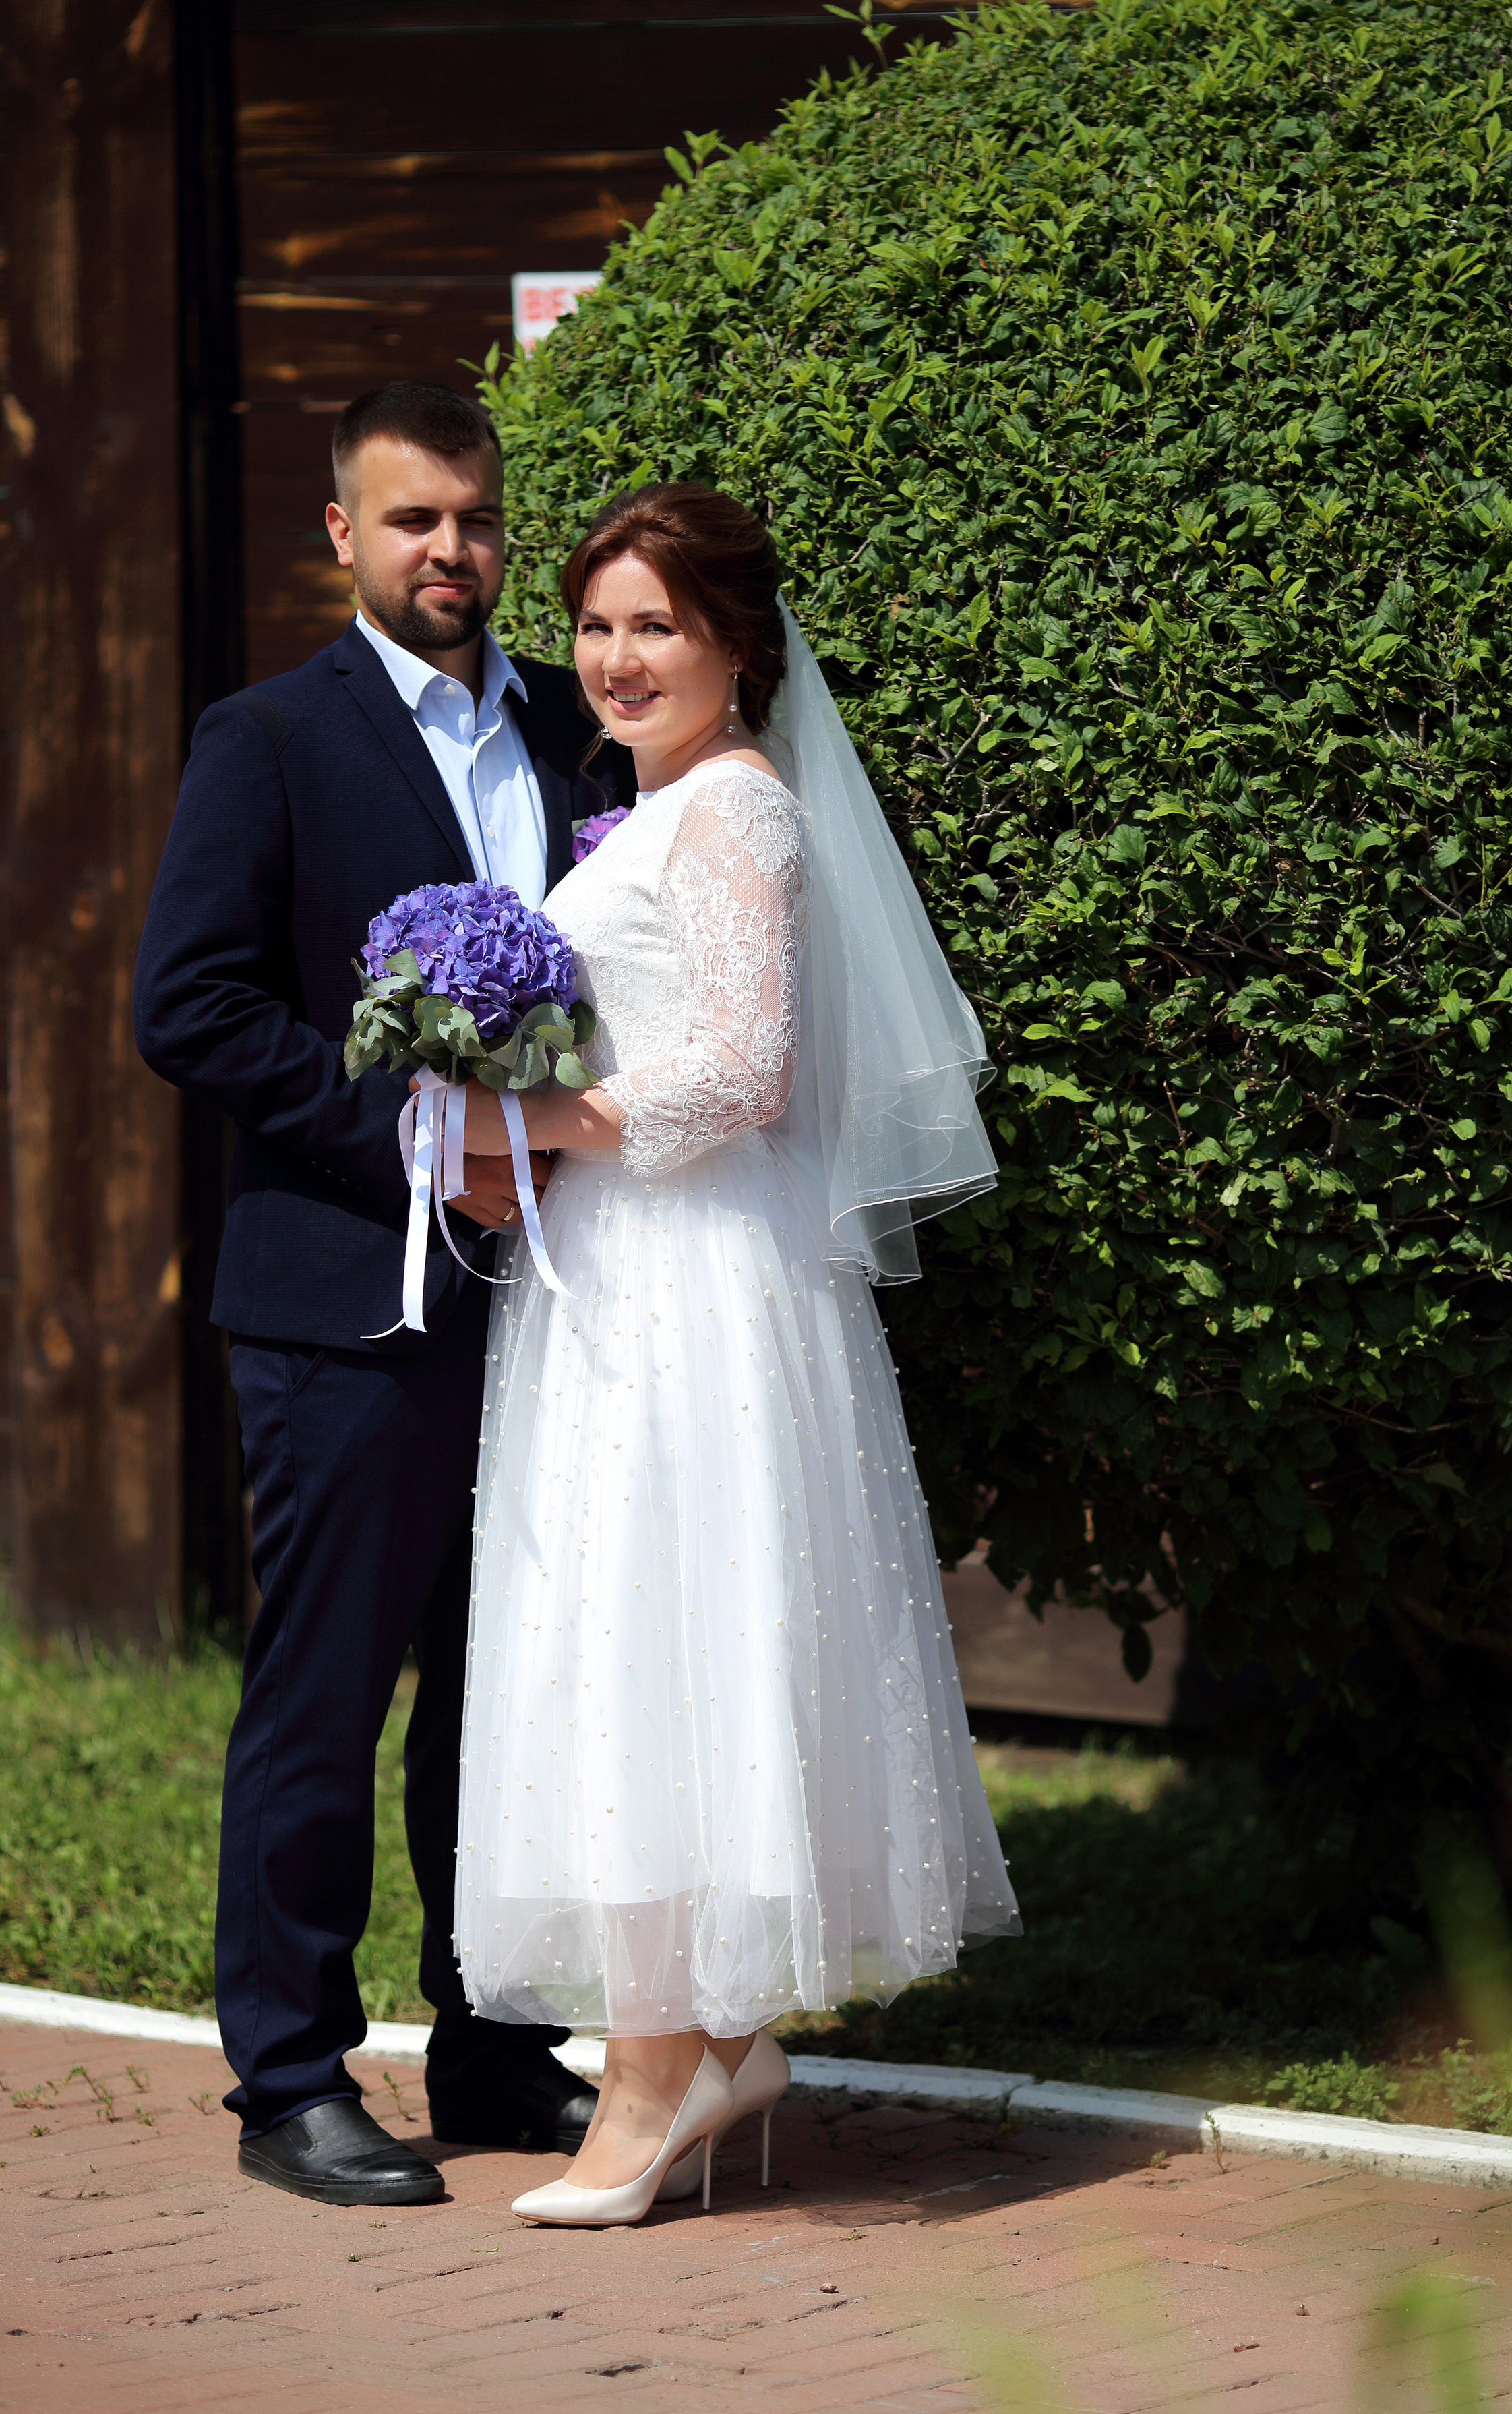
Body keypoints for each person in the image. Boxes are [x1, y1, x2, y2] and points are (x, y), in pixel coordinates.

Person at [452, 483, 1021, 2227]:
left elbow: (749, 1073)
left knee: (657, 1641)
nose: (618, 659)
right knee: (616, 1652)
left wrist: (538, 1116)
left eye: (657, 627)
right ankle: (690, 2044)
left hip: (699, 1284)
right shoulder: (644, 815)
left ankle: (658, 2079)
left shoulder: (740, 814)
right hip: (612, 1272)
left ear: (735, 647)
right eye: (599, 624)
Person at [133, 382, 632, 2208]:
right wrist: (415, 1132)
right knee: (326, 1694)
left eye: (477, 520)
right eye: (413, 520)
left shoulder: (576, 740)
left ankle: (494, 2047)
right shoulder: (269, 738)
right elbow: (186, 1005)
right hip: (347, 1297)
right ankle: (287, 2077)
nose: (453, 552)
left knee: (508, 1698)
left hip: (553, 1304)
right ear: (340, 534)